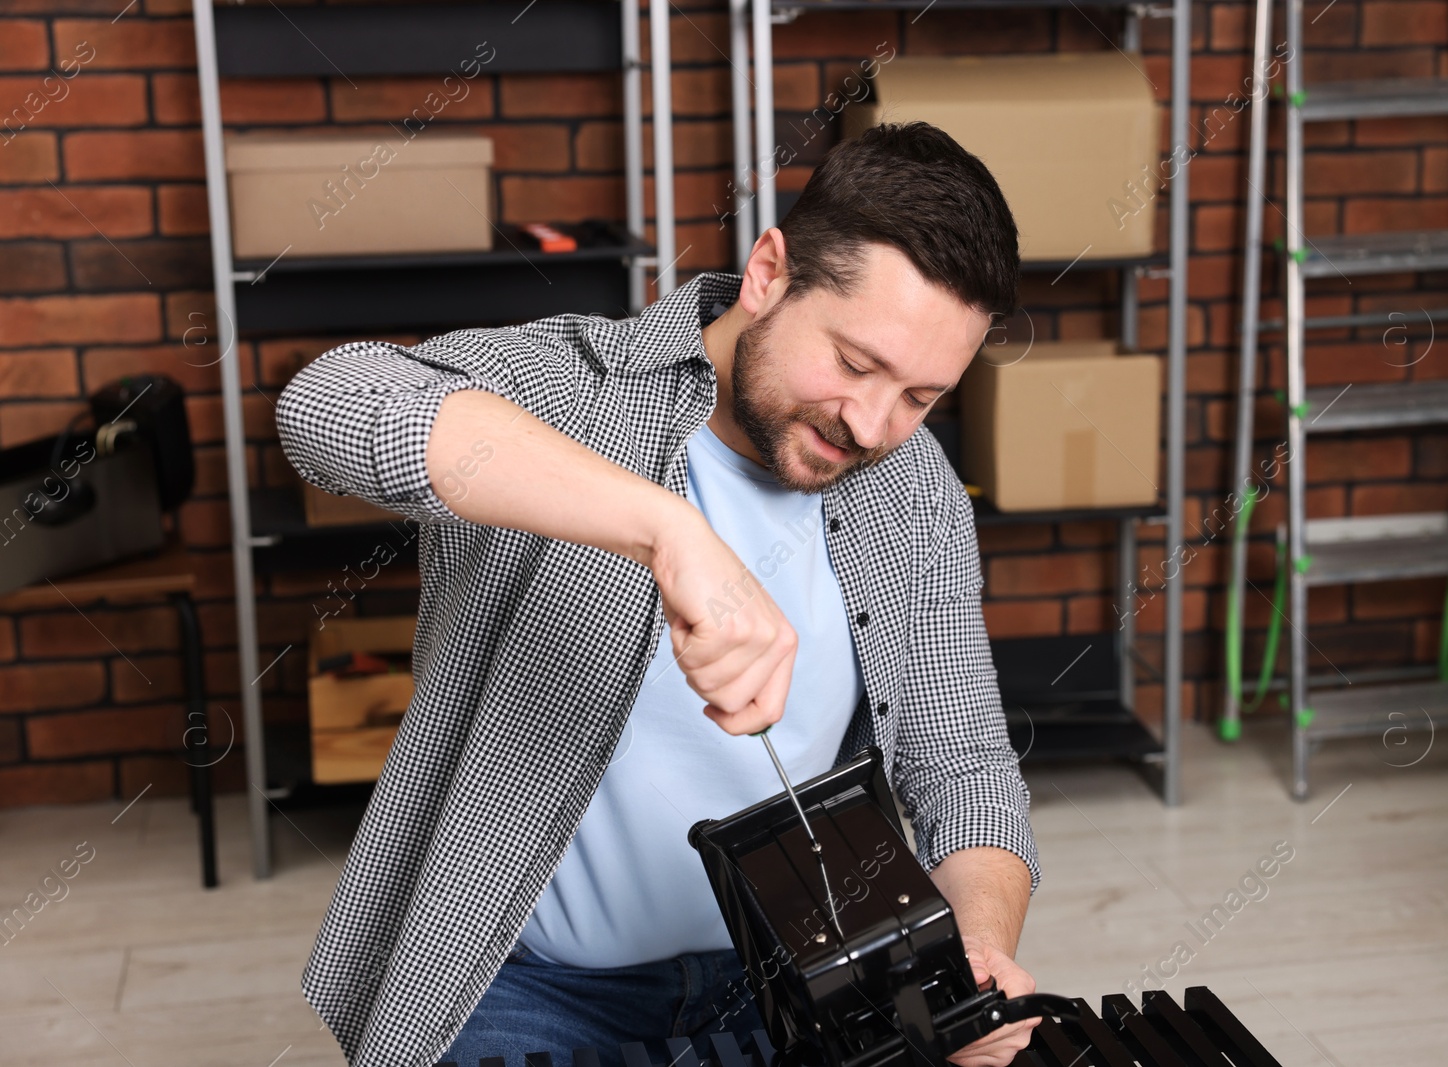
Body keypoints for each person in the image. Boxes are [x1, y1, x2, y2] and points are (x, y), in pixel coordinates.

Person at [278, 121, 1041, 1067]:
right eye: (853, 364)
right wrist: (669, 532)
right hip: (524, 982)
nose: (873, 424)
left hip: (796, 979)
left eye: (922, 396)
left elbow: (964, 770)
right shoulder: (568, 386)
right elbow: (327, 405)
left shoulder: (915, 488)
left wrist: (977, 944)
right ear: (769, 273)